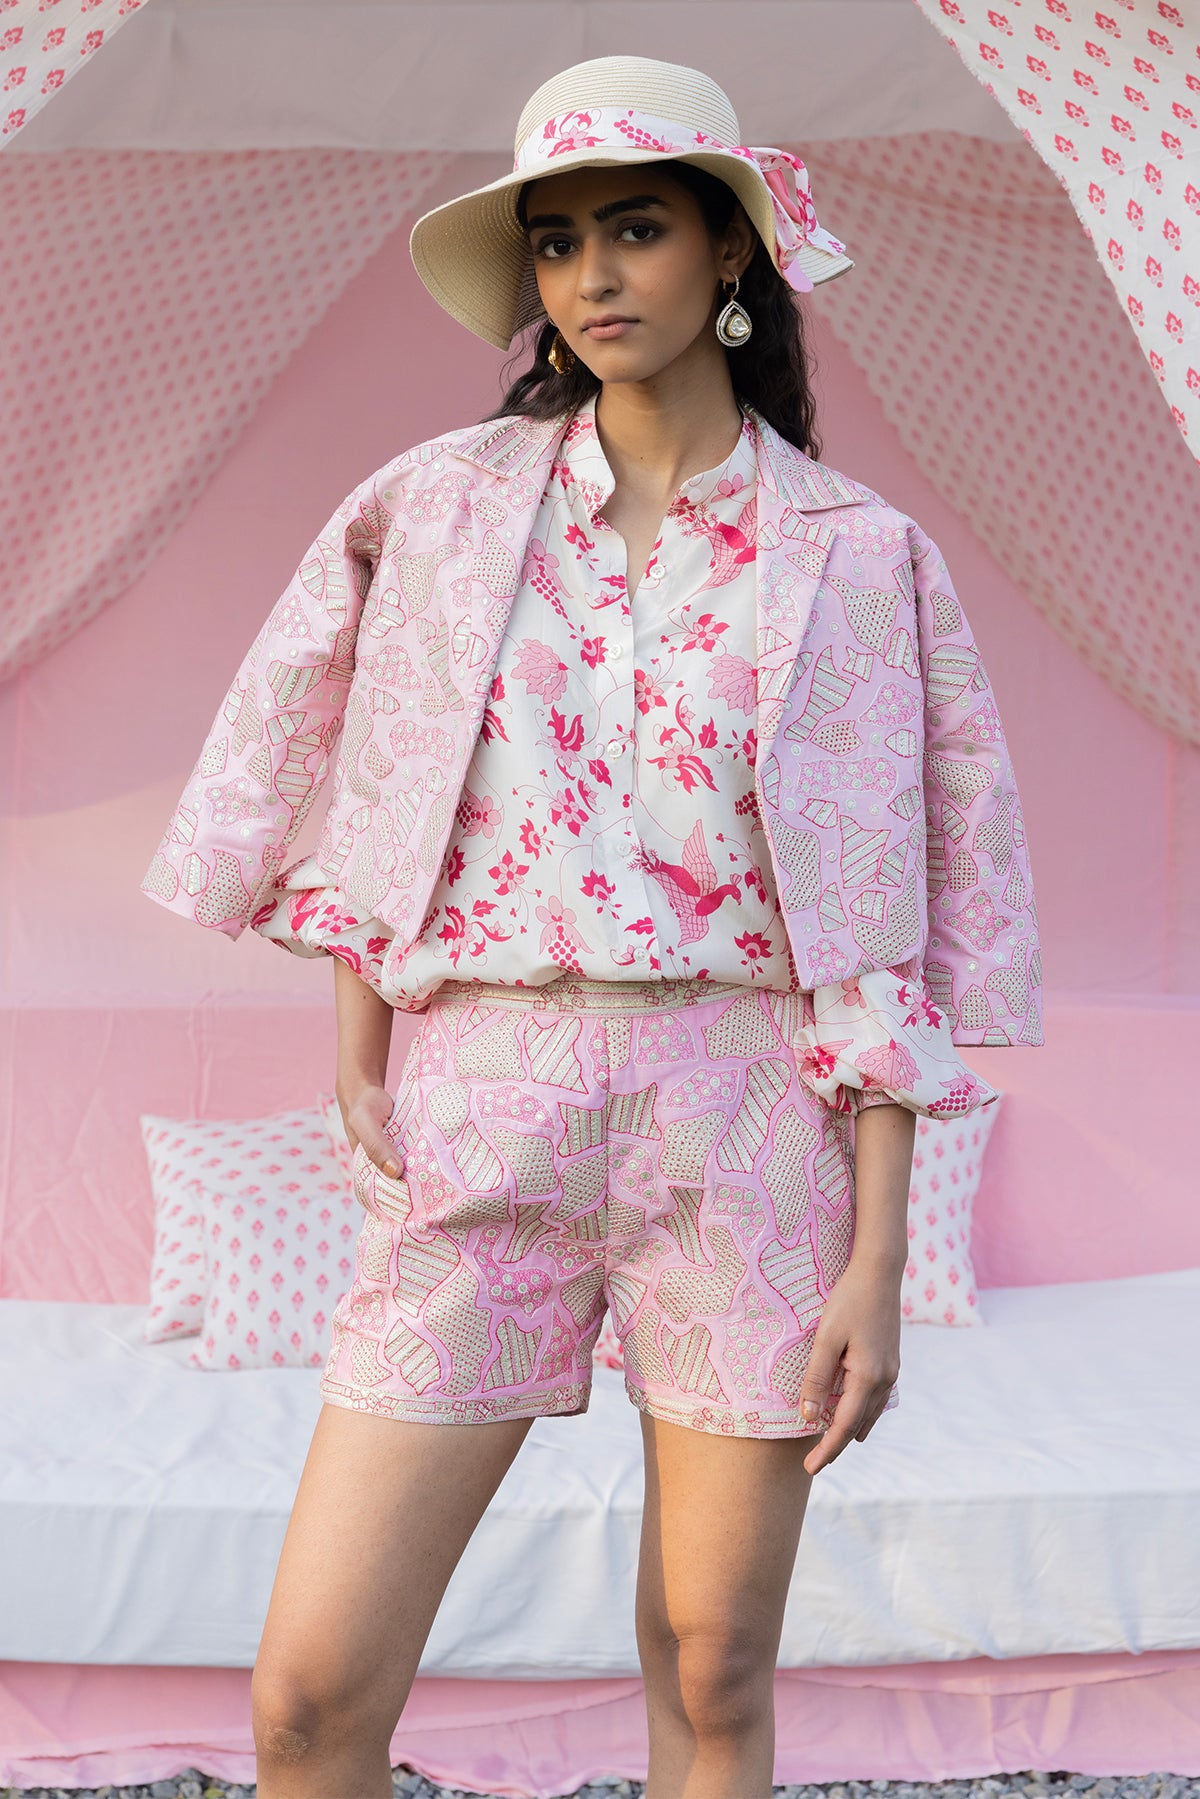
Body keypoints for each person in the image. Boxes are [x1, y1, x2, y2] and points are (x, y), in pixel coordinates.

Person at [141, 53, 1042, 1799]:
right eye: (556, 244)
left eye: (636, 229)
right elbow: (371, 776)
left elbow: (881, 917)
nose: (592, 277)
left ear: (730, 252)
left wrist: (876, 1261)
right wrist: (363, 1052)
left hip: (751, 1120)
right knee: (308, 1700)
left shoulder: (857, 553)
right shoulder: (437, 503)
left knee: (713, 1668)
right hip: (486, 1097)